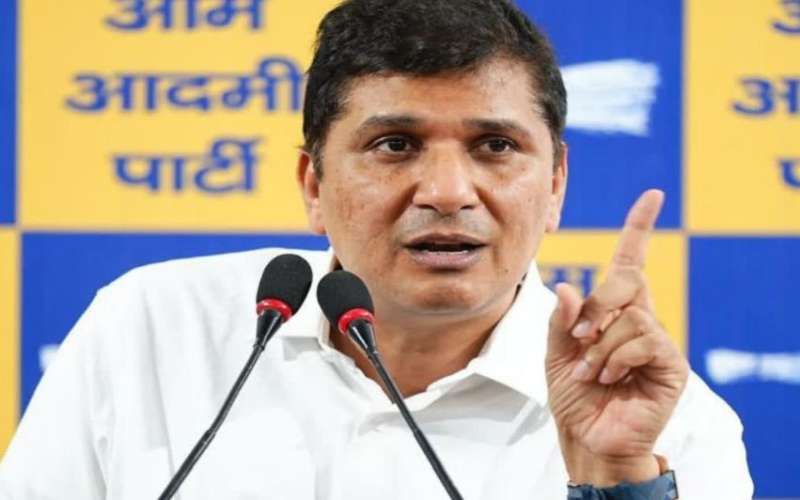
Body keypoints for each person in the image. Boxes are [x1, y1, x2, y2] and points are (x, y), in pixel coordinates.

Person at [0, 0, 752, 498]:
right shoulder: (151, 328)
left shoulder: (666, 427)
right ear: (313, 184)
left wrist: (614, 481)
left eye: (495, 146)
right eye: (395, 144)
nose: (448, 192)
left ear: (555, 185)